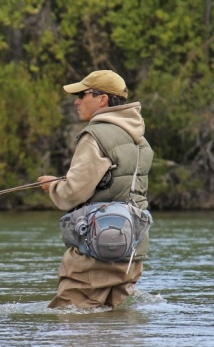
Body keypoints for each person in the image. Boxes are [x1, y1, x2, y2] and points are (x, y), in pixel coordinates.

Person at [37, 70, 153, 309]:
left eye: (83, 94)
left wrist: (53, 186)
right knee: (118, 326)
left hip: (95, 249)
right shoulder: (140, 140)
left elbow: (72, 194)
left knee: (71, 321)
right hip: (132, 250)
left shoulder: (95, 136)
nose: (76, 101)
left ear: (103, 99)